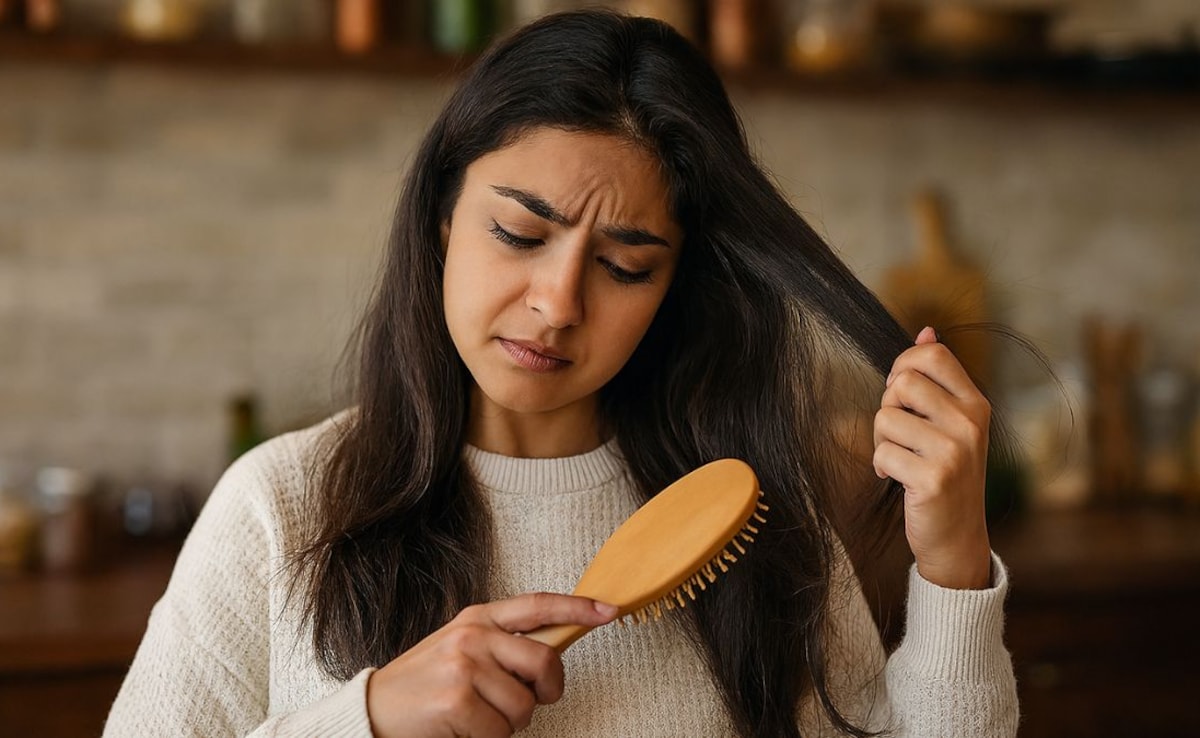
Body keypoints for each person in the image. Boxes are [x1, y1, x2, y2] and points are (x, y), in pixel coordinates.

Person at [105, 10, 1017, 738]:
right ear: (440, 220)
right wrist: (367, 718)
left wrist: (953, 567)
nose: (558, 303)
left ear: (676, 286)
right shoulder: (282, 506)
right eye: (519, 234)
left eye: (627, 265)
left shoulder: (750, 517)